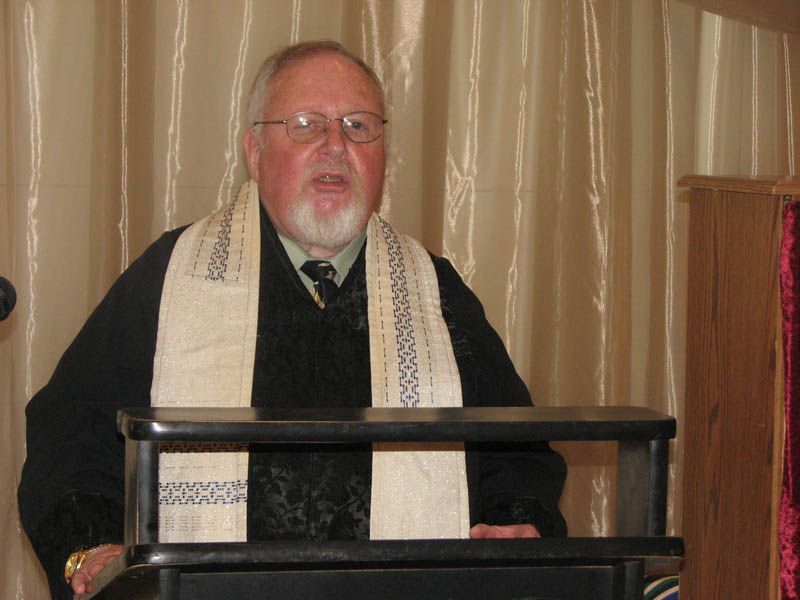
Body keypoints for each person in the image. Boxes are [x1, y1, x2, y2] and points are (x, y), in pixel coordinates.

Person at [18, 41, 566, 599]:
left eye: (359, 126)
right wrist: (91, 547)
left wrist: (518, 519)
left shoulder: (435, 291)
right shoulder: (172, 276)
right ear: (255, 153)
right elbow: (72, 436)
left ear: (383, 154)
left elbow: (516, 449)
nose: (336, 145)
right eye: (306, 125)